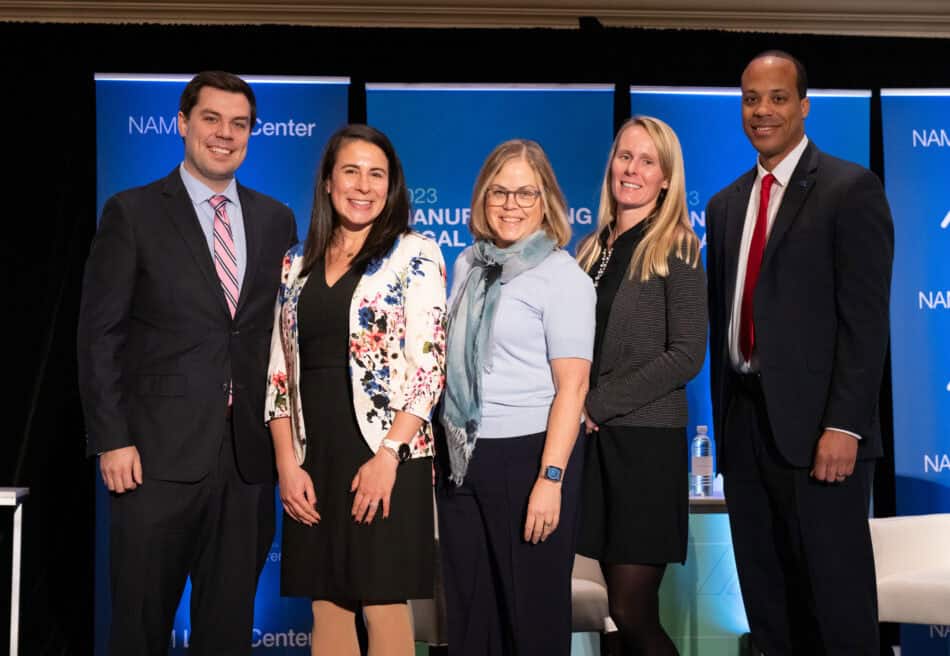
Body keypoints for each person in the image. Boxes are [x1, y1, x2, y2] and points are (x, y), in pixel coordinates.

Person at [77, 71, 297, 654]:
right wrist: (111, 439)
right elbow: (99, 336)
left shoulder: (277, 220)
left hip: (247, 462)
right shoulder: (132, 212)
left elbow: (281, 339)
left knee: (227, 633)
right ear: (182, 123)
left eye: (239, 123)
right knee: (140, 627)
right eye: (211, 119)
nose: (225, 134)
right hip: (152, 459)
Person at [705, 51, 894, 655]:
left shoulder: (850, 189)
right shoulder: (726, 204)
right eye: (751, 98)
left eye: (778, 97)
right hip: (745, 428)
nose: (762, 110)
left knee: (835, 605)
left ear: (804, 105)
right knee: (768, 603)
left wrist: (845, 425)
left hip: (822, 435)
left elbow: (865, 326)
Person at [265, 124, 446, 656]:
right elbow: (278, 372)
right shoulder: (295, 262)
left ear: (392, 187)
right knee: (327, 605)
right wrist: (286, 464)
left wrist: (388, 455)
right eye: (350, 171)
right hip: (313, 457)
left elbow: (428, 366)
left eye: (377, 175)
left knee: (382, 602)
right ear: (327, 182)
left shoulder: (416, 254)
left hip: (389, 455)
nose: (363, 186)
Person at [437, 139, 595, 655]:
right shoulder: (468, 264)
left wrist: (551, 479)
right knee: (469, 619)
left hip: (529, 458)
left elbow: (573, 387)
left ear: (546, 199)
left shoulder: (563, 277)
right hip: (462, 458)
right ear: (482, 197)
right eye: (499, 192)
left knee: (530, 620)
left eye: (525, 193)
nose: (511, 204)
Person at [576, 116, 707, 655]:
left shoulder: (677, 245)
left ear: (666, 178)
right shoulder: (592, 249)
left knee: (632, 610)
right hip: (596, 449)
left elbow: (686, 355)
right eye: (624, 156)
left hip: (645, 450)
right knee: (611, 618)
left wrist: (597, 405)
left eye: (647, 161)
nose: (632, 169)